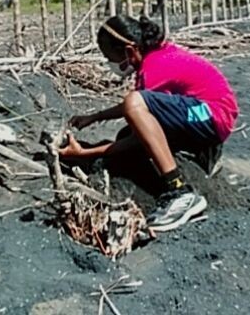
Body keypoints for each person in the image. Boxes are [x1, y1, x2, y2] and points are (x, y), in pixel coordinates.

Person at [59, 15, 238, 232]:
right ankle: (203, 155)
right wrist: (95, 117)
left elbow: (136, 113)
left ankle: (180, 191)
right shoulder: (158, 56)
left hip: (213, 115)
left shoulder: (153, 69)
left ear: (129, 50)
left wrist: (87, 153)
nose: (111, 64)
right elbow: (141, 112)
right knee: (127, 130)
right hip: (209, 114)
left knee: (134, 114)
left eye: (111, 57)